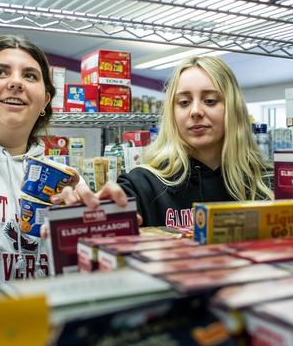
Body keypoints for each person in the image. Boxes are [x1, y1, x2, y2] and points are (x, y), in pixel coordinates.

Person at [0, 35, 107, 282]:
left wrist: (104, 225)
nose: (16, 82)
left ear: (45, 102)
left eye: (30, 76)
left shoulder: (65, 181)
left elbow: (88, 276)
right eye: (0, 72)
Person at [114, 56, 274, 228]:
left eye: (210, 101)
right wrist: (89, 208)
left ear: (233, 109)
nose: (195, 111)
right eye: (184, 102)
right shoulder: (141, 185)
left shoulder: (268, 183)